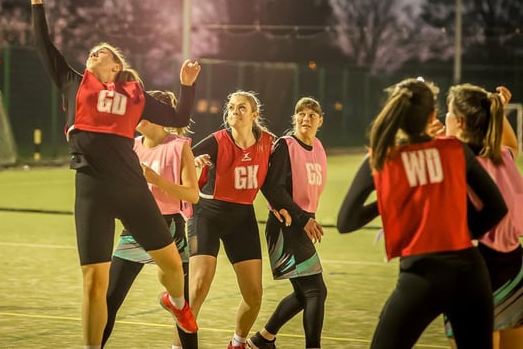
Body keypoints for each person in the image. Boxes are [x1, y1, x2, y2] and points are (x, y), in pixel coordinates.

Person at [19, 0, 201, 348]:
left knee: (172, 267)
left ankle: (177, 302)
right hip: (92, 189)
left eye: (101, 52)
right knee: (94, 282)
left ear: (116, 67)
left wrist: (187, 86)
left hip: (132, 188)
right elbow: (43, 45)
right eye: (91, 52)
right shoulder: (74, 81)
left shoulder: (136, 96)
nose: (92, 53)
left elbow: (181, 119)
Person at [336, 77, 508, 349]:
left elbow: (345, 222)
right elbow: (497, 207)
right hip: (469, 272)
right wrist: (463, 232)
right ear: (432, 114)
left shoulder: (381, 157)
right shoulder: (455, 149)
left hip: (420, 276)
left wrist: (388, 201)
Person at [102, 90, 199, 348]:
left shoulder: (179, 147)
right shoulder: (130, 146)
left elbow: (193, 195)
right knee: (108, 301)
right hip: (134, 229)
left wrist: (157, 180)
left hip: (170, 230)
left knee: (183, 309)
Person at [186, 90, 275, 349]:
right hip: (207, 213)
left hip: (242, 216)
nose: (234, 112)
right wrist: (195, 162)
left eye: (241, 108)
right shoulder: (216, 141)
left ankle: (237, 343)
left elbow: (275, 181)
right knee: (199, 286)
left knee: (254, 294)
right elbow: (183, 158)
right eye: (231, 107)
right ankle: (178, 346)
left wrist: (283, 206)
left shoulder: (269, 142)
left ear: (254, 115)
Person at [443, 84, 523, 349]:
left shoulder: (451, 161)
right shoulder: (503, 156)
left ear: (460, 122)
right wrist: (496, 111)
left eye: (448, 112)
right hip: (514, 265)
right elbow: (511, 142)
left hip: (474, 268)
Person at [247, 97, 327, 349]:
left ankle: (263, 339)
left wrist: (307, 218)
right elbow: (272, 187)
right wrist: (303, 219)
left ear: (320, 121)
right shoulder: (286, 145)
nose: (305, 118)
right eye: (300, 114)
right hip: (286, 225)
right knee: (315, 292)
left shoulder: (318, 147)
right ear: (295, 118)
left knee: (306, 293)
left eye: (311, 115)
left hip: (301, 224)